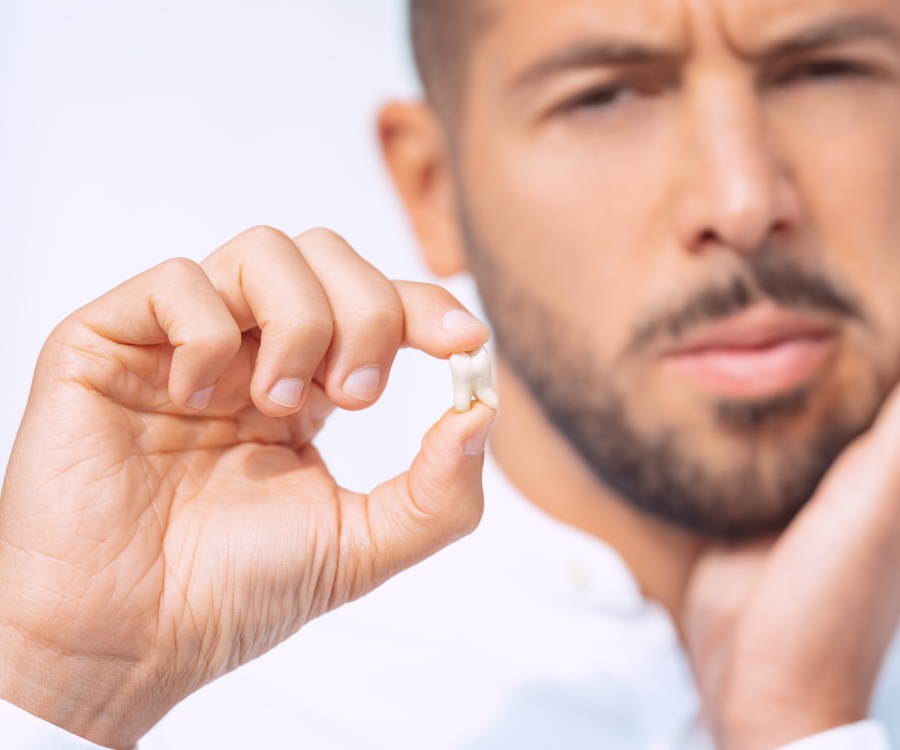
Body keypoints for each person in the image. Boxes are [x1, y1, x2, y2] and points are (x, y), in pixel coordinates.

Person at [4, 0, 900, 747]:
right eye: (604, 95)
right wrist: (65, 687)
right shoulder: (204, 711)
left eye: (827, 70)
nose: (742, 203)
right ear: (432, 188)